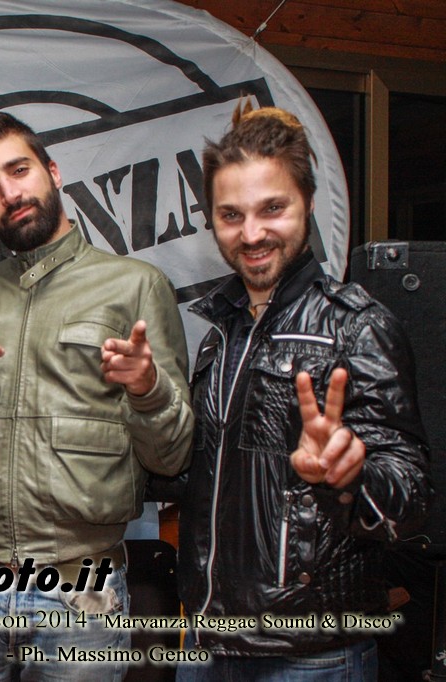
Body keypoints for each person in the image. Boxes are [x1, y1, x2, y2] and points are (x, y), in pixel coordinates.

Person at [0, 109, 194, 681]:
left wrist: (147, 390)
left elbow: (172, 458)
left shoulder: (136, 286)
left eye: (18, 170)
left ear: (53, 171)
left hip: (80, 594)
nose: (8, 193)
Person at [177, 104, 431, 679]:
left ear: (308, 203)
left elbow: (413, 497)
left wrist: (352, 476)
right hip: (208, 642)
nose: (251, 234)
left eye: (273, 208)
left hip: (310, 655)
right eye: (231, 215)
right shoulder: (221, 332)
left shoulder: (357, 327)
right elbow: (198, 478)